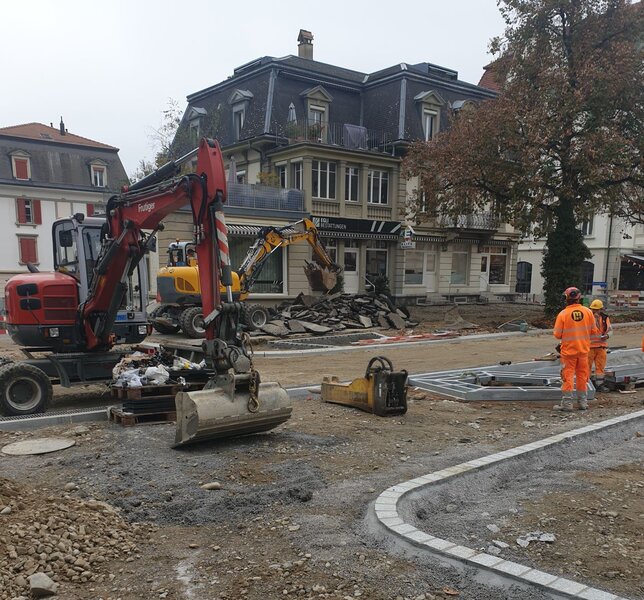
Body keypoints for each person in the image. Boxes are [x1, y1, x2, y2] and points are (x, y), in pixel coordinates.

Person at [553, 287, 598, 412]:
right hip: (583, 351)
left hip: (568, 352)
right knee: (582, 376)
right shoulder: (588, 312)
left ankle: (567, 404)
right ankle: (583, 403)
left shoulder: (563, 314)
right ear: (579, 298)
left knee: (568, 376)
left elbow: (557, 334)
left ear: (566, 298)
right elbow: (594, 331)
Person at [588, 299, 612, 392]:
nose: (595, 312)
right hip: (589, 347)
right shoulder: (587, 318)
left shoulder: (605, 318)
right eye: (593, 309)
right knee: (586, 367)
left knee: (600, 368)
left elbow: (610, 330)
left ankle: (599, 385)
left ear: (601, 309)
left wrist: (607, 336)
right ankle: (587, 385)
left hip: (601, 347)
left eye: (597, 310)